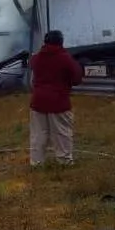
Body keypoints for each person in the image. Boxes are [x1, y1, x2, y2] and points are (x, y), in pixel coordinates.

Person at [28, 30, 84, 166]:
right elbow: (77, 78)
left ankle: (36, 163)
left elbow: (32, 79)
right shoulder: (65, 58)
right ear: (61, 42)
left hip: (38, 102)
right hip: (59, 102)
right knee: (61, 133)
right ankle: (64, 162)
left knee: (38, 134)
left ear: (45, 42)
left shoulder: (36, 58)